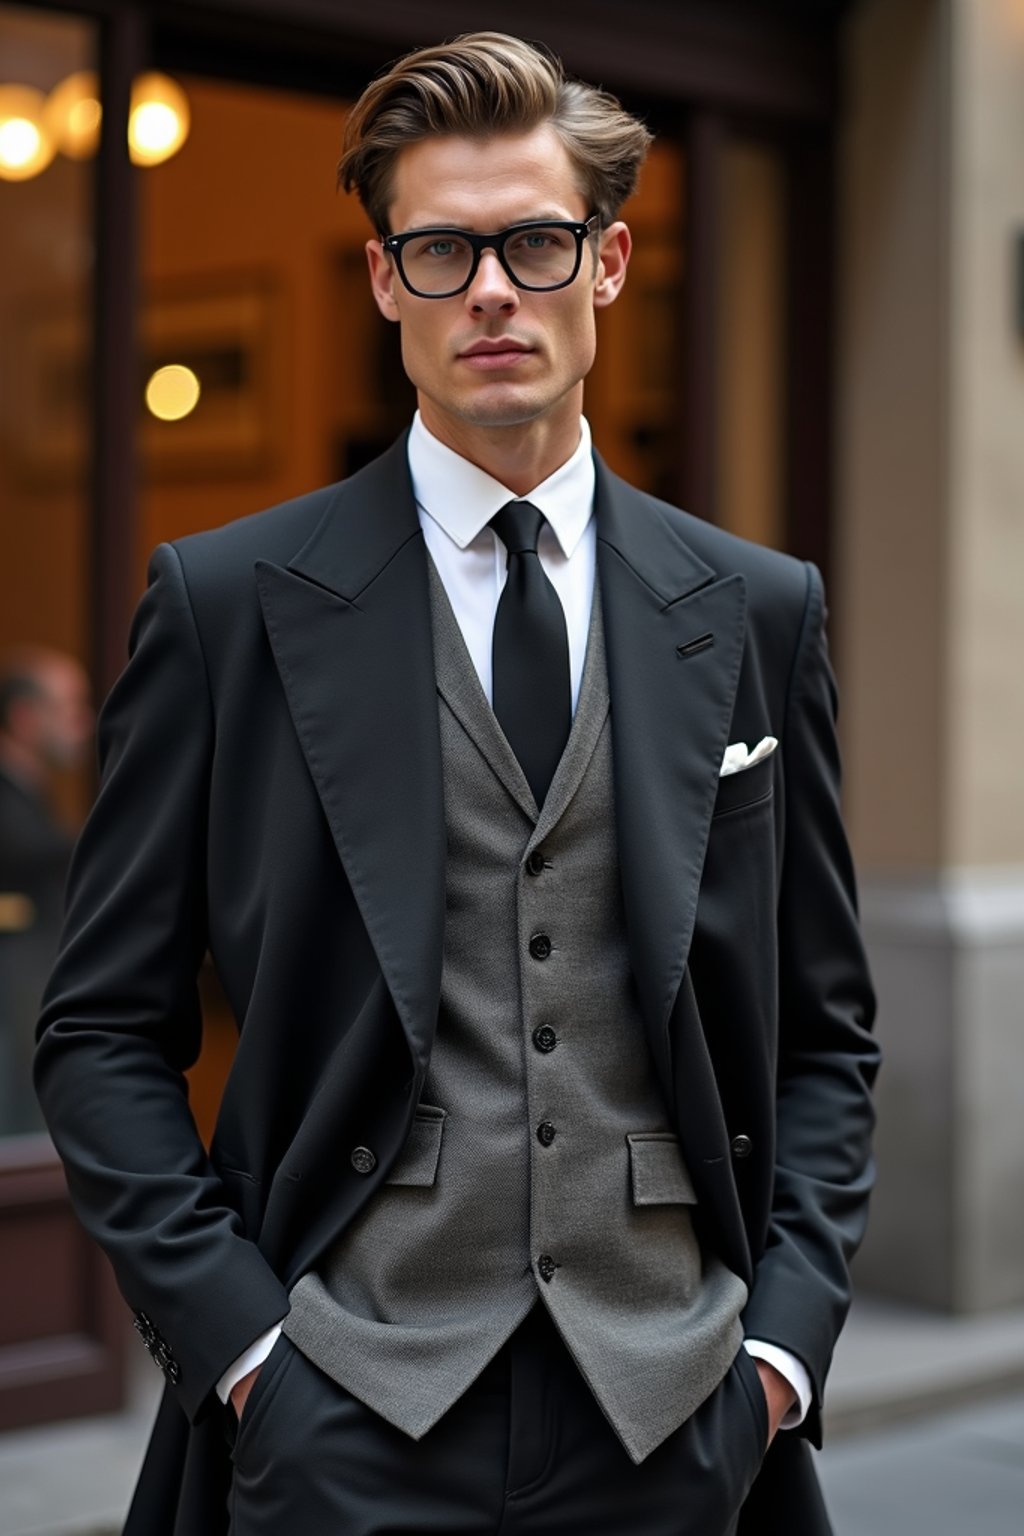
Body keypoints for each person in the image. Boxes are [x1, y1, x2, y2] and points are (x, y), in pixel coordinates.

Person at [35, 31, 879, 1536]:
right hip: (345, 1413)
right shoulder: (229, 604)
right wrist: (244, 1355)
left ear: (608, 265)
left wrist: (780, 1352)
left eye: (535, 243)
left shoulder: (754, 610)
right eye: (440, 249)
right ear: (384, 283)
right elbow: (102, 1028)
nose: (491, 288)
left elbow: (825, 1027)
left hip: (677, 1416)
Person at [0, 647, 92, 1134]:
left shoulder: (34, 795)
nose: (84, 722)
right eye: (70, 707)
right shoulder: (9, 806)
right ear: (25, 717)